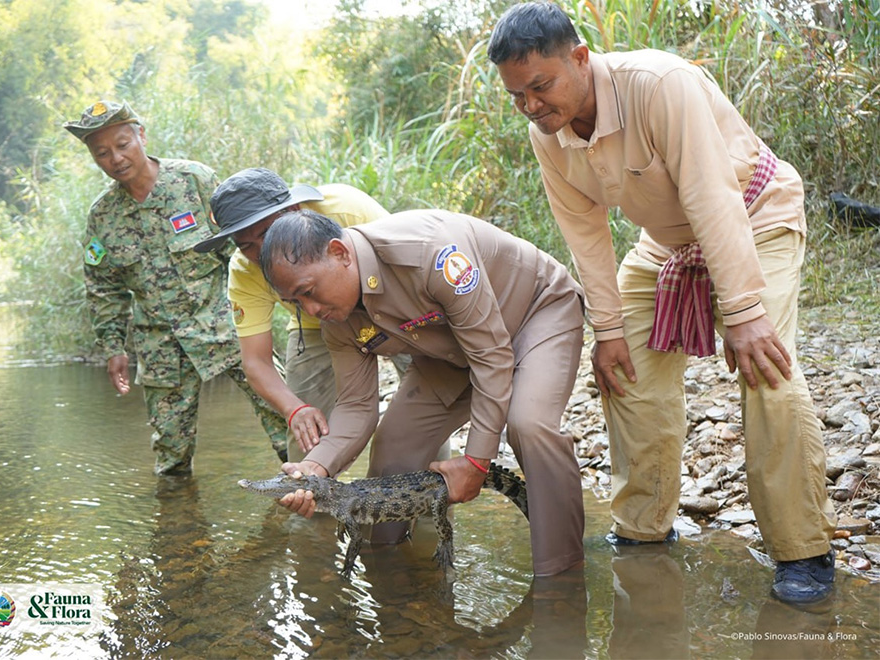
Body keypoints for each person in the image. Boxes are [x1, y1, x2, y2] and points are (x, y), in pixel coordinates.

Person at [488, 2, 836, 603]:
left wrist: (744, 312)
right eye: (517, 96)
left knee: (767, 369)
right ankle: (644, 529)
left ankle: (804, 549)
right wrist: (608, 330)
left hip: (754, 215)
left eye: (540, 86)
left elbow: (711, 195)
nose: (531, 106)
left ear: (580, 58)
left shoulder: (659, 84)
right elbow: (585, 235)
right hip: (667, 244)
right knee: (623, 370)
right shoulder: (547, 135)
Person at [258, 209, 587, 577]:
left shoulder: (430, 254)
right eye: (296, 303)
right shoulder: (337, 320)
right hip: (454, 353)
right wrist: (316, 468)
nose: (311, 309)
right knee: (394, 445)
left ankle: (561, 579)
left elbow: (491, 357)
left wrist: (476, 462)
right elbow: (355, 406)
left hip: (534, 315)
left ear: (340, 253)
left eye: (308, 292)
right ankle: (388, 577)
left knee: (529, 425)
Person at [64, 101, 288, 476]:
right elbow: (103, 288)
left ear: (141, 135)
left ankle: (315, 484)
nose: (115, 159)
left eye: (122, 144)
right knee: (171, 457)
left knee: (284, 412)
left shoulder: (195, 182)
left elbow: (243, 249)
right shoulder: (102, 217)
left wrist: (279, 304)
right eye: (102, 153)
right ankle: (177, 513)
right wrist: (113, 348)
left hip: (227, 327)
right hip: (160, 348)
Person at [193, 168, 391, 462]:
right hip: (316, 326)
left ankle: (432, 489)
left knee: (422, 408)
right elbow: (256, 361)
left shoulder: (347, 211)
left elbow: (406, 268)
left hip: (391, 308)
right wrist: (294, 409)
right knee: (306, 436)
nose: (262, 253)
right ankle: (308, 485)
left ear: (294, 209)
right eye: (246, 246)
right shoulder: (245, 271)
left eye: (266, 233)